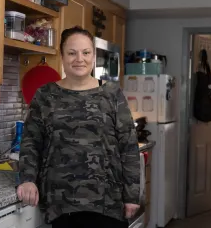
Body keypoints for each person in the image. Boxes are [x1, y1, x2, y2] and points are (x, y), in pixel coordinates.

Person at [17, 26, 141, 228]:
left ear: (93, 56)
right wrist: (28, 179)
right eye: (72, 53)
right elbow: (31, 141)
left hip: (107, 202)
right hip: (61, 203)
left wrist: (132, 194)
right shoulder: (45, 95)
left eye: (85, 53)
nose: (79, 59)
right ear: (62, 56)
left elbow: (128, 146)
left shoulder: (111, 94)